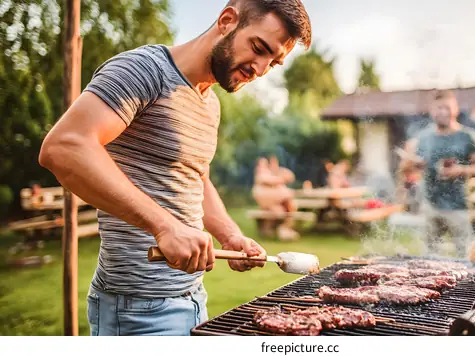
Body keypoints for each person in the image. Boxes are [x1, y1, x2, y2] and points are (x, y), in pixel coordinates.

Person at [38, 0, 311, 336]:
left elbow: (196, 178)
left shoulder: (209, 103)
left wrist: (230, 235)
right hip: (137, 309)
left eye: (273, 63)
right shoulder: (144, 70)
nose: (259, 68)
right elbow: (65, 148)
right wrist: (164, 227)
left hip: (192, 298)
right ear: (227, 20)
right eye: (258, 48)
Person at [400, 90, 475, 258]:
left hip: (459, 206)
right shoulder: (423, 137)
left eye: (446, 107)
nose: (442, 112)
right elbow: (406, 168)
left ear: (455, 109)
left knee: (463, 257)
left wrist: (461, 170)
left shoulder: (468, 136)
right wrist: (412, 163)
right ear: (431, 110)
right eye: (438, 108)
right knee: (430, 258)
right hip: (430, 206)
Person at [251, 156, 299, 240]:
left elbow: (290, 176)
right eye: (261, 164)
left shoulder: (272, 173)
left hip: (277, 203)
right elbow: (272, 180)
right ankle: (280, 230)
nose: (263, 166)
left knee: (284, 209)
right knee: (279, 211)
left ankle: (283, 229)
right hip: (270, 203)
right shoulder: (262, 176)